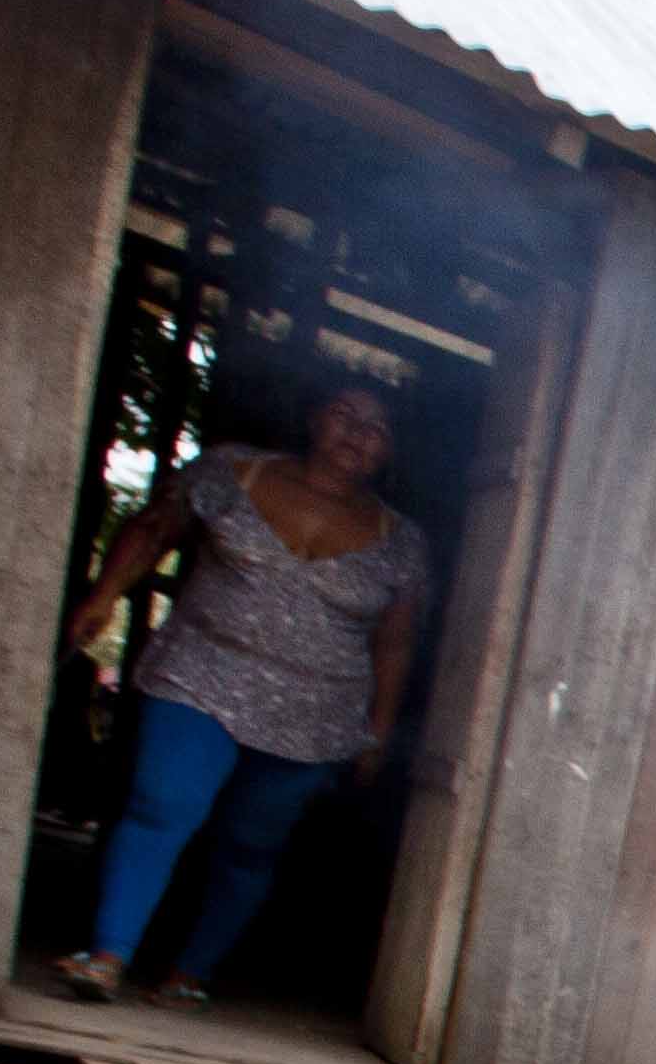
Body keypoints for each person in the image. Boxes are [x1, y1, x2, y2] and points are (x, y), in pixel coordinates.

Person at [48, 382, 433, 1005]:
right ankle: (107, 954)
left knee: (251, 844)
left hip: (315, 711)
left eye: (377, 428)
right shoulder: (232, 471)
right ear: (314, 417)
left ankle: (190, 973)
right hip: (201, 673)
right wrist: (103, 597)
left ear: (389, 451)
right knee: (160, 805)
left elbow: (396, 642)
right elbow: (153, 530)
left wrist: (378, 728)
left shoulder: (401, 541)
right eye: (345, 413)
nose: (358, 435)